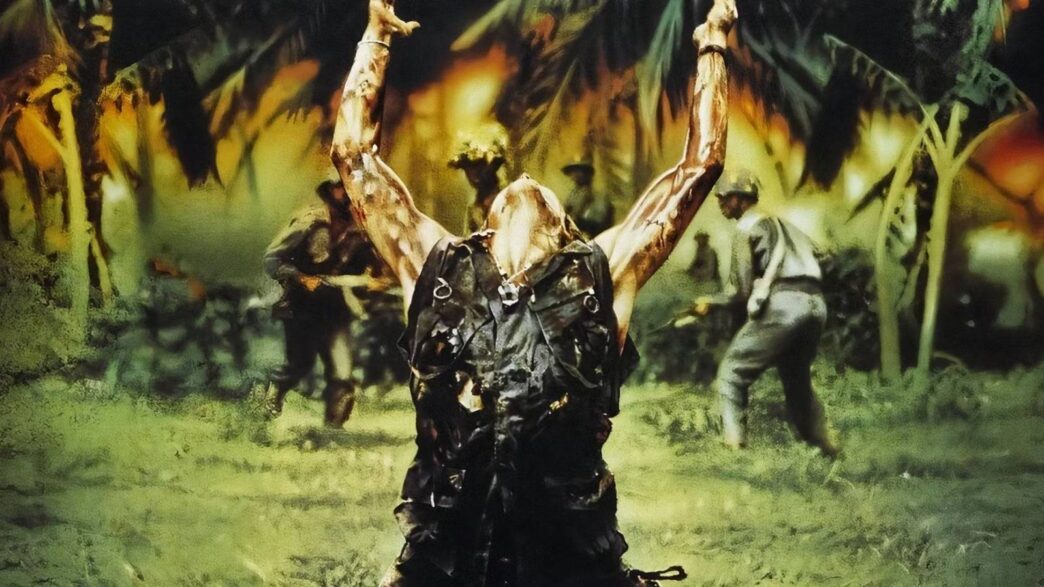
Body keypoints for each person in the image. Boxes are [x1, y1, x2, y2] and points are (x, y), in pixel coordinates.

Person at [330, 0, 735, 584]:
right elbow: (352, 157)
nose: (525, 178)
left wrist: (712, 43)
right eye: (515, 187)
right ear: (485, 227)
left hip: (567, 556)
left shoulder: (602, 272)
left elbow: (701, 166)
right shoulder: (437, 264)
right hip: (447, 554)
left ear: (567, 229)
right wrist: (376, 37)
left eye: (543, 191)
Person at [693, 170, 839, 456]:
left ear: (742, 199)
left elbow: (739, 291)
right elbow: (825, 257)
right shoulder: (786, 226)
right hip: (816, 304)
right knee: (796, 380)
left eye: (726, 197)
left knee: (732, 373)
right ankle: (828, 447)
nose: (720, 202)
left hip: (784, 306)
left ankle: (734, 451)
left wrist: (710, 302)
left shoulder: (746, 228)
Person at [263, 179, 383, 428]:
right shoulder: (308, 222)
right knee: (299, 365)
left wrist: (373, 280)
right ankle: (275, 391)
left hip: (336, 307)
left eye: (351, 187)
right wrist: (300, 277)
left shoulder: (362, 229)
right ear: (330, 191)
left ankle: (332, 431)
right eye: (341, 187)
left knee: (342, 375)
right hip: (301, 305)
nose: (347, 193)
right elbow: (272, 260)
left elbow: (374, 268)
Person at [448, 137, 507, 232]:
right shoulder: (474, 210)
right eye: (467, 170)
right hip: (483, 197)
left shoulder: (506, 201)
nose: (472, 176)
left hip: (492, 194)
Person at [562, 157, 614, 237]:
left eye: (579, 171)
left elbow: (598, 224)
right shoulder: (572, 195)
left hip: (592, 239)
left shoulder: (600, 198)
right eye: (572, 172)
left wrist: (576, 220)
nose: (574, 175)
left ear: (588, 174)